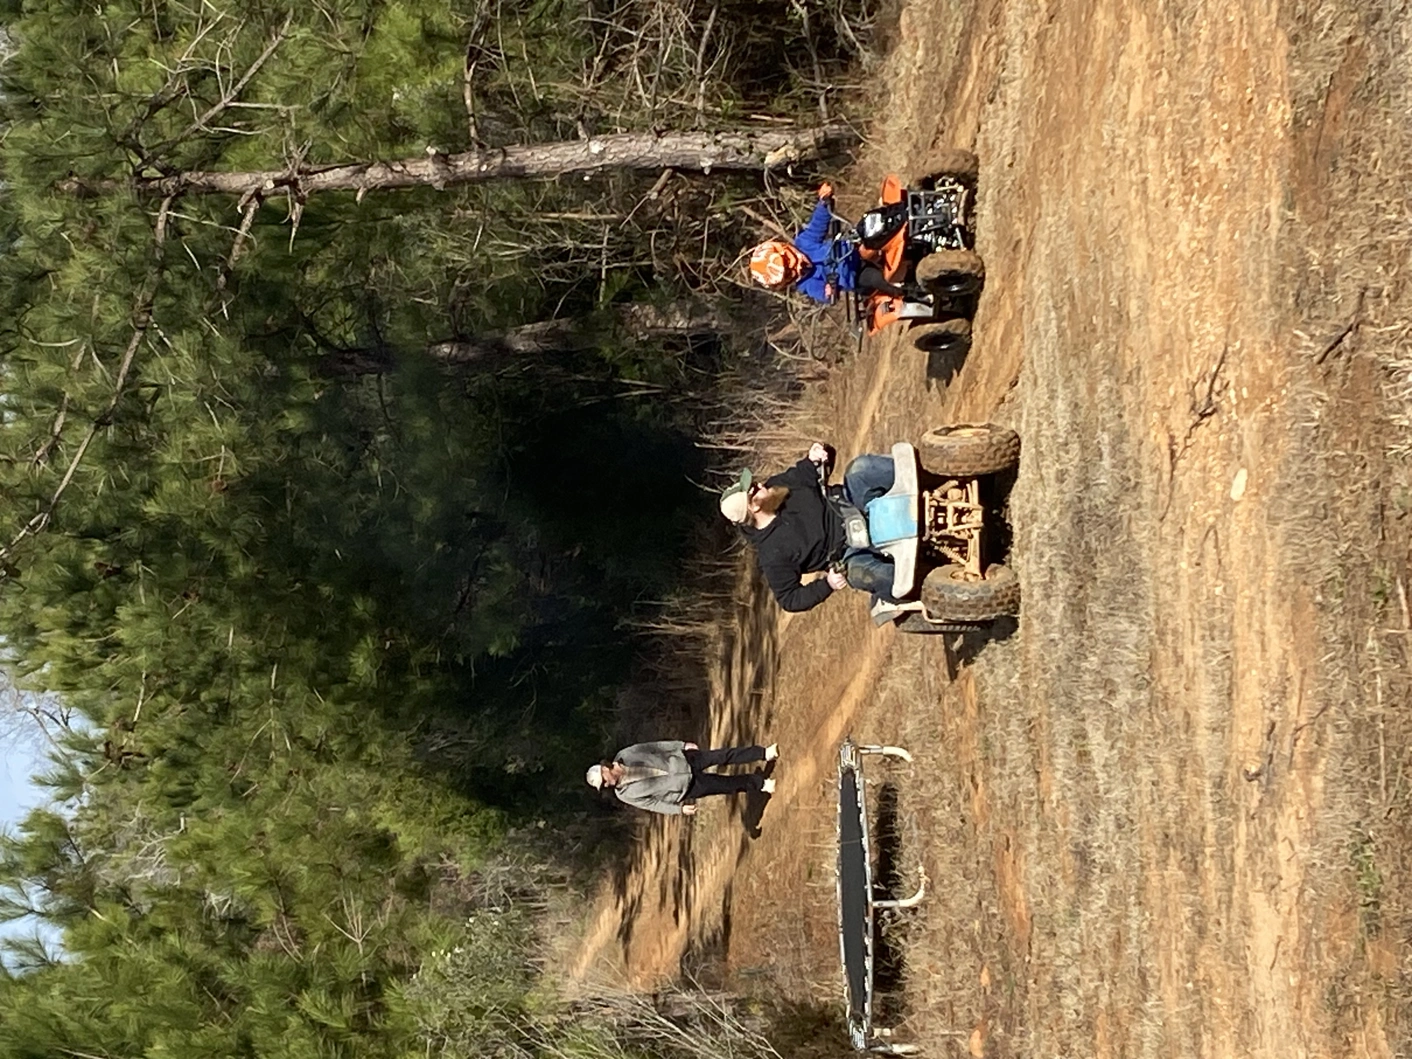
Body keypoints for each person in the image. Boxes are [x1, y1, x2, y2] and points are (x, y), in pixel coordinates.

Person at [719, 442, 897, 613]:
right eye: (754, 489)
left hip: (849, 501)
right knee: (870, 575)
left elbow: (806, 472)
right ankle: (906, 596)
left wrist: (814, 456)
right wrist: (827, 584)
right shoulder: (772, 556)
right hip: (850, 550)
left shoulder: (777, 485)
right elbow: (790, 599)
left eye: (754, 482)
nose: (759, 484)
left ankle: (913, 473)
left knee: (861, 467)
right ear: (754, 507)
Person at [749, 182, 913, 305]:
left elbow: (818, 224)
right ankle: (912, 291)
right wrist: (828, 292)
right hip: (856, 275)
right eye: (790, 274)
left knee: (872, 223)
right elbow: (821, 294)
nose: (798, 268)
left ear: (785, 249)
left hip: (853, 248)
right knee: (880, 280)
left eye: (789, 264)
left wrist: (824, 202)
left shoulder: (804, 242)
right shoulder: (806, 284)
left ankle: (909, 207)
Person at [587, 740, 779, 816]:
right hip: (686, 788)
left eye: (603, 781)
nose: (606, 785)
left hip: (684, 760)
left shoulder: (626, 755)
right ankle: (761, 784)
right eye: (603, 786)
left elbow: (656, 746)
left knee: (723, 755)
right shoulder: (624, 794)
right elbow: (652, 805)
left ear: (605, 769)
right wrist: (678, 809)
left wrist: (681, 745)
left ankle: (764, 753)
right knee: (725, 785)